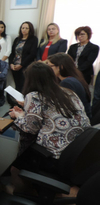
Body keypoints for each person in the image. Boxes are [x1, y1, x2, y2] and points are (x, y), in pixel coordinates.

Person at [7, 62, 90, 194]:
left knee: (16, 166)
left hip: (54, 156)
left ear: (29, 79)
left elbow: (30, 128)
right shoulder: (69, 93)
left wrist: (18, 115)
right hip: (78, 152)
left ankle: (20, 193)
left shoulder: (34, 96)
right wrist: (24, 113)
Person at [46, 53, 92, 119]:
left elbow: (64, 108)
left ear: (60, 67)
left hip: (78, 122)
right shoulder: (73, 79)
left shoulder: (67, 83)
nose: (48, 69)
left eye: (50, 66)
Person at [9, 21, 38, 92]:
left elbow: (32, 54)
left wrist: (21, 65)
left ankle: (23, 102)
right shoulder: (17, 39)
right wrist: (11, 63)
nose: (24, 30)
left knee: (24, 85)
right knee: (17, 85)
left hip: (25, 66)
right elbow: (12, 53)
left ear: (30, 29)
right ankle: (17, 102)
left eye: (26, 28)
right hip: (15, 66)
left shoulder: (33, 39)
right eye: (23, 28)